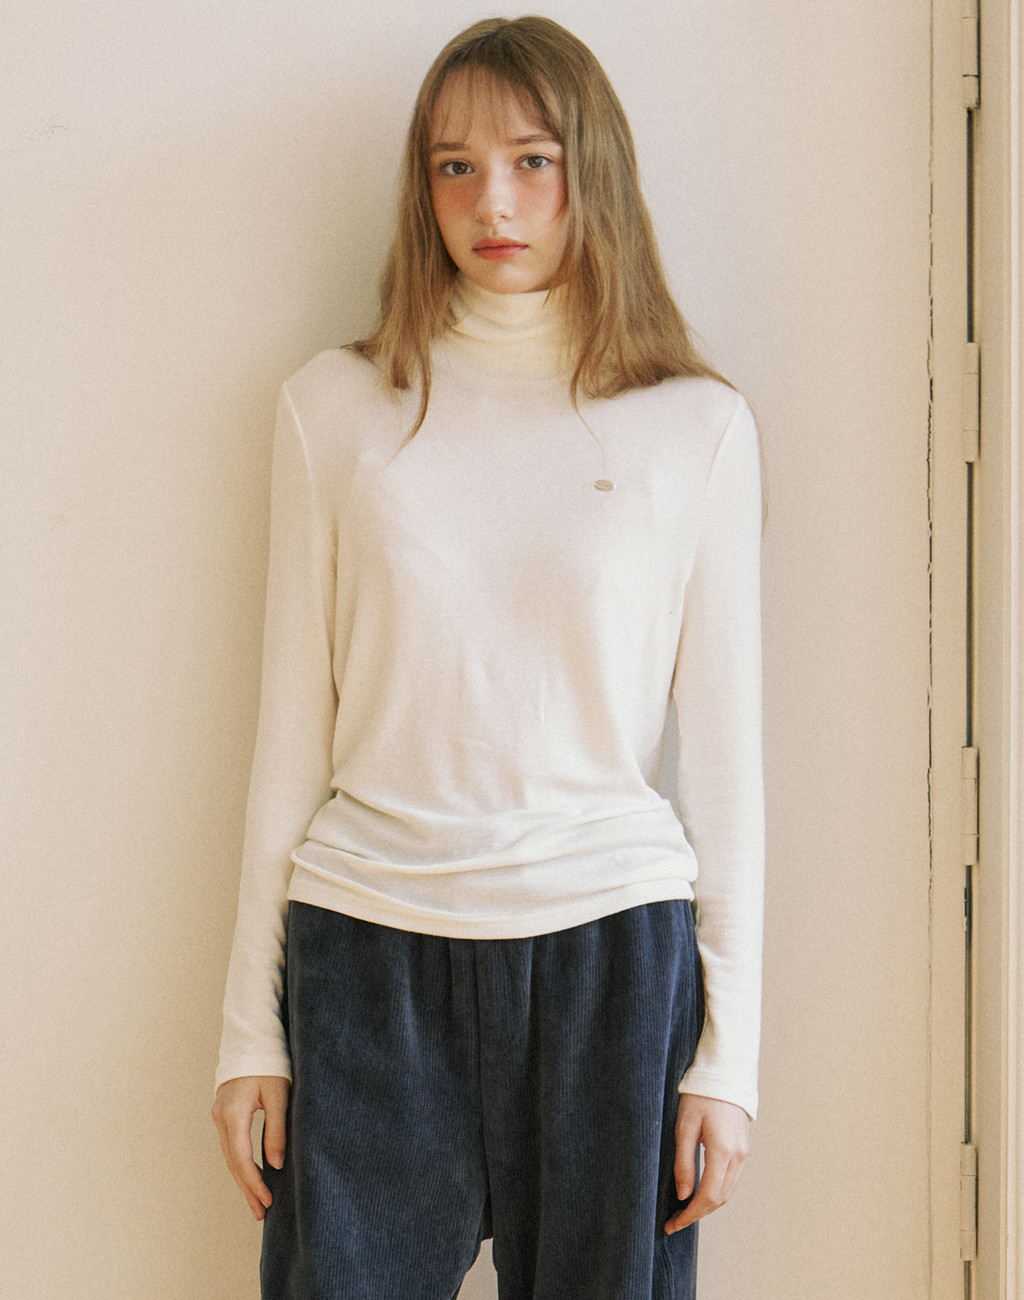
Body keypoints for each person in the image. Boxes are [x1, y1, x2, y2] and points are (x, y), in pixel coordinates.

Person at [212, 15, 764, 1299]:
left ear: (592, 170)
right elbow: (288, 734)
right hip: (368, 944)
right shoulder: (335, 409)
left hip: (609, 956)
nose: (492, 202)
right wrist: (250, 1031)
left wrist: (726, 1060)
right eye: (454, 167)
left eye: (531, 161)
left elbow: (725, 771)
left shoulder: (694, 427)